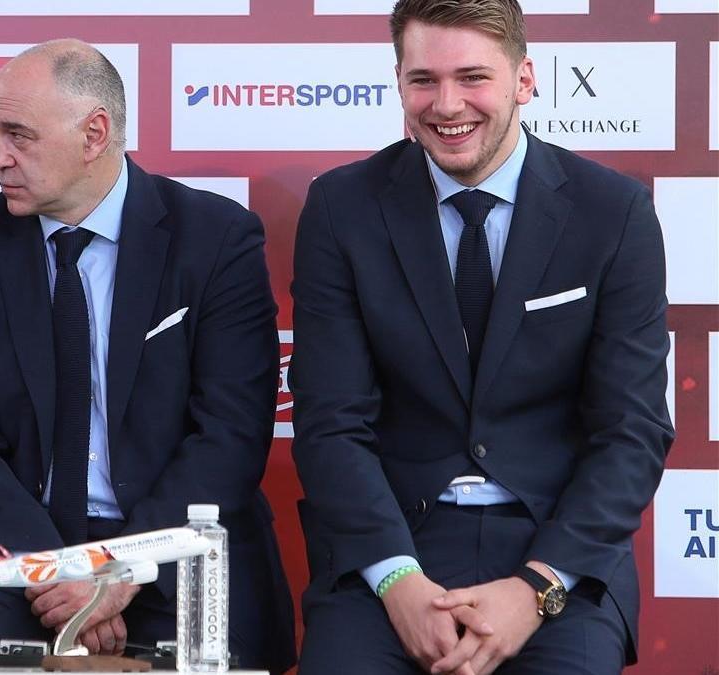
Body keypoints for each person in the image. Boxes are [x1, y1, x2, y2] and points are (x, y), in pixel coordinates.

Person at [289, 1, 673, 673]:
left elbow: (631, 430)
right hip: (391, 547)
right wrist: (396, 580)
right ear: (399, 81)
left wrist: (537, 589)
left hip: (556, 554)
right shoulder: (340, 208)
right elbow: (330, 420)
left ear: (525, 79)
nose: (446, 105)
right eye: (422, 80)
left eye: (472, 77)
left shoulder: (613, 213)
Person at [0, 39, 295, 670]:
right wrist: (59, 578)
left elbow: (230, 435)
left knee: (227, 649)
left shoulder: (216, 239)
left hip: (176, 551)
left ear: (94, 133)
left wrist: (118, 571)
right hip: (18, 550)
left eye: (18, 135)